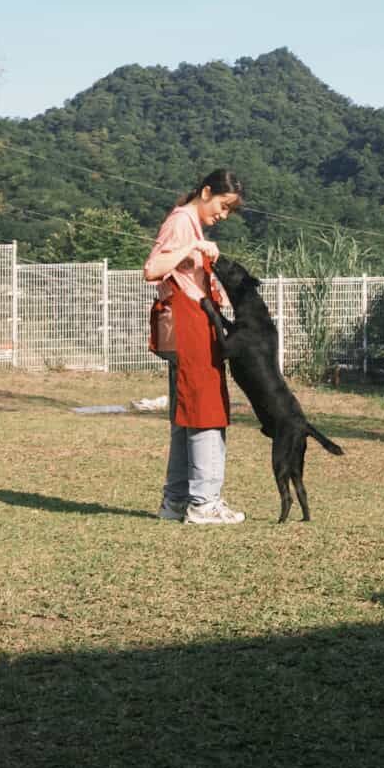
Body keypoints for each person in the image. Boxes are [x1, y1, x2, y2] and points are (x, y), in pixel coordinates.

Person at [143, 169, 245, 524]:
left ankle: (175, 502)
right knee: (205, 411)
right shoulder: (181, 222)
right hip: (189, 326)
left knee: (185, 415)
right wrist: (191, 247)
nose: (224, 214)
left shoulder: (189, 222)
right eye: (223, 205)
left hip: (192, 324)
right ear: (206, 192)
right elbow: (152, 268)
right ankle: (204, 503)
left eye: (229, 210)